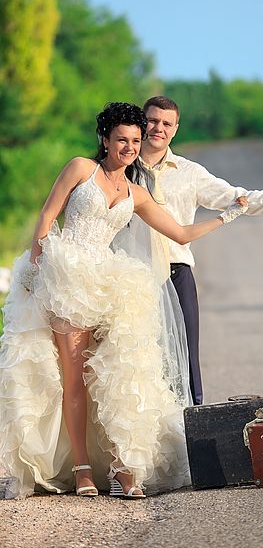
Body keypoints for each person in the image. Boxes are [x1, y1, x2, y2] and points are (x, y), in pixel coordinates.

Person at [0, 102, 248, 500]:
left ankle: (122, 465)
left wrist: (229, 215)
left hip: (111, 281)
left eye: (135, 140)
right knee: (75, 378)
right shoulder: (81, 168)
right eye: (122, 139)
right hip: (69, 279)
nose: (130, 147)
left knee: (117, 373)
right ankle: (82, 468)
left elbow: (180, 234)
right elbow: (48, 215)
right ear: (106, 139)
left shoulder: (137, 192)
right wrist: (39, 261)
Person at [114, 95, 263, 405]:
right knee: (129, 356)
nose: (158, 128)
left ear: (176, 129)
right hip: (127, 276)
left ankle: (192, 429)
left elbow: (241, 199)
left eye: (167, 123)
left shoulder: (190, 172)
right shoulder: (120, 165)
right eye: (153, 120)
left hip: (174, 272)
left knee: (186, 355)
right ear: (142, 121)